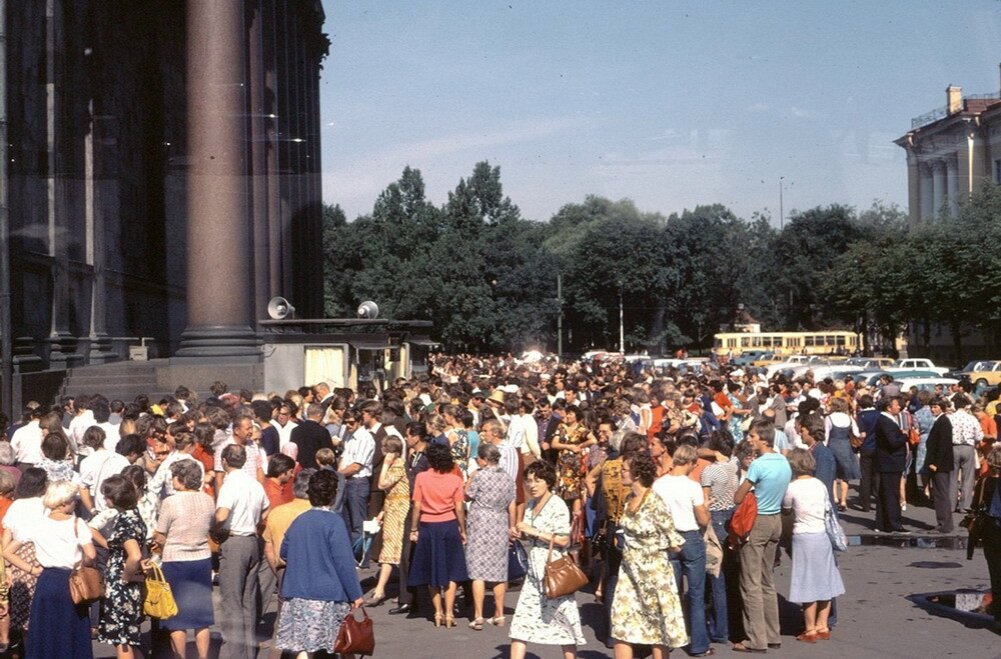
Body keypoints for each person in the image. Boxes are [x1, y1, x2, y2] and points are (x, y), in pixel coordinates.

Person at [276, 469, 365, 656]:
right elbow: (344, 563)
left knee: (302, 646)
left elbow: (284, 553)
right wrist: (355, 594)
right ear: (333, 495)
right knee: (337, 645)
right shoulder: (334, 523)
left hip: (297, 593)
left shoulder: (299, 521)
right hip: (326, 594)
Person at [3, 480, 96, 658]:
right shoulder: (77, 524)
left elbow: (8, 552)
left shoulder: (37, 524)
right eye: (73, 500)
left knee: (46, 632)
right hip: (71, 581)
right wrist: (82, 564)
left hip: (47, 580)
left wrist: (32, 569)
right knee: (71, 631)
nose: (75, 503)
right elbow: (91, 555)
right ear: (64, 502)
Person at [610, 452, 688, 659]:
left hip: (653, 575)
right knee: (621, 624)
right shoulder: (628, 499)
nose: (620, 473)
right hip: (629, 573)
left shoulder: (655, 502)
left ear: (637, 474)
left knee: (657, 628)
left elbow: (675, 541)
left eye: (624, 469)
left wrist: (652, 548)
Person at [509, 460, 585, 659]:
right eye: (529, 481)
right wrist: (520, 533)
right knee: (520, 624)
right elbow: (530, 534)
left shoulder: (557, 504)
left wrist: (534, 530)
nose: (532, 485)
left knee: (564, 623)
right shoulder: (531, 504)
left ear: (548, 482)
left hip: (553, 569)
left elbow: (563, 539)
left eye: (538, 480)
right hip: (534, 572)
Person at [732, 420, 791, 654]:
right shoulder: (784, 462)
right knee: (767, 580)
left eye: (753, 436)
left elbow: (738, 497)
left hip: (757, 522)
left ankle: (756, 638)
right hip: (775, 519)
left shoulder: (758, 465)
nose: (750, 439)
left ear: (764, 439)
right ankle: (772, 633)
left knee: (750, 582)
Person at [651, 443, 711, 656]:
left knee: (671, 594)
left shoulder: (658, 485)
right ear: (690, 462)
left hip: (668, 538)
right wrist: (706, 507)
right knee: (696, 593)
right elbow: (703, 518)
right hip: (690, 537)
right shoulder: (692, 486)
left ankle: (668, 638)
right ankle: (698, 644)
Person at [782, 449, 845, 643]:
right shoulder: (819, 484)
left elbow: (785, 508)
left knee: (807, 582)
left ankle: (809, 628)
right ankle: (822, 625)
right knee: (824, 580)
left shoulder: (792, 487)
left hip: (803, 535)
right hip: (822, 535)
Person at [154, 459, 215, 659]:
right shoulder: (208, 499)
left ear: (180, 479)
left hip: (175, 561)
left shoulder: (170, 502)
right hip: (201, 559)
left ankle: (180, 656)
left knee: (176, 616)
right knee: (201, 616)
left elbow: (160, 534)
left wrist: (158, 543)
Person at [213, 444, 269, 659]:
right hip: (252, 541)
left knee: (232, 601)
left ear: (225, 461)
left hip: (235, 540)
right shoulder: (254, 484)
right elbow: (266, 507)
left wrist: (215, 529)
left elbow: (221, 515)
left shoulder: (230, 484)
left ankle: (234, 653)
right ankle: (247, 652)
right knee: (248, 600)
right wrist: (254, 522)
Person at [407, 443, 468, 627]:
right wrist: (463, 529)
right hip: (449, 525)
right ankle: (450, 613)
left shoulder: (421, 477)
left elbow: (417, 506)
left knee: (431, 570)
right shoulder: (455, 480)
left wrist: (413, 528)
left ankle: (437, 612)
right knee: (451, 571)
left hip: (428, 525)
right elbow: (459, 508)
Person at [93, 475, 147, 658]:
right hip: (131, 587)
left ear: (114, 498)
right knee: (131, 638)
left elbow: (135, 555)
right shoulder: (134, 515)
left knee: (122, 640)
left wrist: (124, 578)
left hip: (121, 586)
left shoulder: (125, 521)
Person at [464, 443, 516, 629]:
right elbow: (511, 505)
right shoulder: (508, 478)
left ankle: (478, 615)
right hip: (500, 521)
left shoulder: (480, 475)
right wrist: (512, 527)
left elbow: (467, 496)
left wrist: (471, 477)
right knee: (499, 571)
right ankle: (499, 614)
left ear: (484, 459)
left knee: (478, 571)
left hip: (480, 522)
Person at [700, 430, 739, 645]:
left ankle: (719, 627)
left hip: (714, 519)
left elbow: (705, 501)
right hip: (731, 514)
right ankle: (731, 622)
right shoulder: (734, 463)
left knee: (715, 576)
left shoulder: (709, 471)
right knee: (729, 574)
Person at [2, 467, 46, 644]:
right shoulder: (45, 504)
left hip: (18, 557)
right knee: (42, 611)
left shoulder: (17, 505)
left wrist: (7, 567)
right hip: (41, 555)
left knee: (23, 610)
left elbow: (7, 536)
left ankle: (29, 650)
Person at [365, 436, 410, 606]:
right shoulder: (396, 465)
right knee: (390, 550)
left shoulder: (397, 466)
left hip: (399, 511)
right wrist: (382, 512)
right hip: (392, 509)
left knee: (391, 550)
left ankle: (380, 590)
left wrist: (385, 464)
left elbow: (382, 484)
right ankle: (385, 589)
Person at [971, 444, 1001, 621]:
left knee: (995, 570)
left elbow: (976, 505)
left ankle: (998, 611)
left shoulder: (984, 482)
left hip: (990, 529)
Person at [874, 397, 908, 533]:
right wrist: (904, 436)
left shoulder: (888, 420)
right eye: (896, 404)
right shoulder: (885, 421)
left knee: (886, 492)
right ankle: (893, 523)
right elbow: (893, 442)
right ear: (888, 407)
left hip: (889, 461)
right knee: (891, 493)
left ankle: (883, 522)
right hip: (890, 462)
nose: (899, 406)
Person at [923, 397, 955, 534]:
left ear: (942, 407)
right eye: (931, 407)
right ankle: (944, 523)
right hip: (939, 464)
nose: (933, 409)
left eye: (936, 407)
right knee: (940, 493)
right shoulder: (939, 421)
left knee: (941, 494)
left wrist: (936, 463)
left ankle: (944, 524)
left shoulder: (943, 421)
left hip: (940, 465)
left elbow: (943, 445)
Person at [824, 397, 860, 511]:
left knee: (833, 474)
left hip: (833, 446)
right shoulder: (849, 418)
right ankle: (843, 501)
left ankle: (834, 498)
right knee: (845, 476)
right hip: (845, 446)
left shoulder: (829, 418)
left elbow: (826, 437)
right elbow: (856, 433)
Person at [949, 394, 983, 513]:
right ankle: (964, 505)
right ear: (965, 406)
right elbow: (979, 435)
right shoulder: (972, 418)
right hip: (968, 447)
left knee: (952, 478)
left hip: (953, 447)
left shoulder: (950, 418)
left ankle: (951, 505)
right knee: (968, 478)